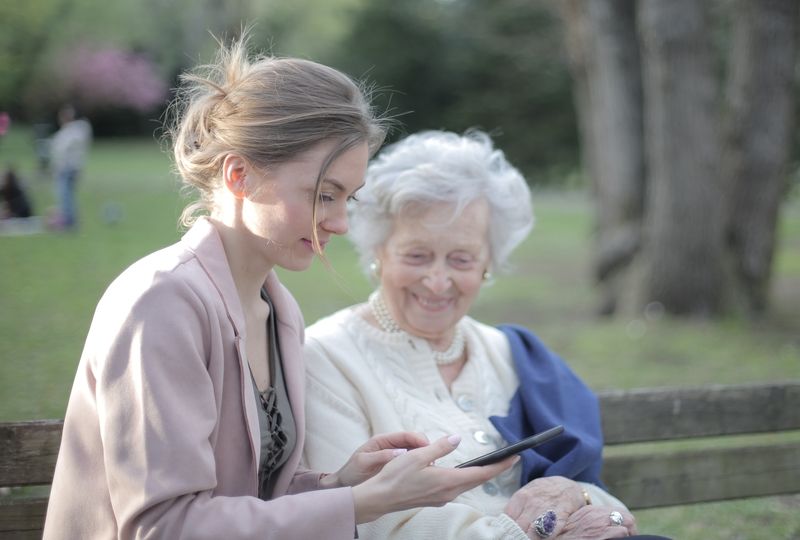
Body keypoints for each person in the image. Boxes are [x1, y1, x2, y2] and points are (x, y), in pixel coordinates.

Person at [42, 39, 517, 540]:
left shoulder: (277, 308)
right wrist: (360, 503)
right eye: (322, 195)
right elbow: (166, 526)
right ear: (240, 174)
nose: (339, 222)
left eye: (348, 198)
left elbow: (249, 499)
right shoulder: (160, 303)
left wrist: (338, 483)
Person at [303, 131, 669, 539]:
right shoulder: (325, 357)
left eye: (461, 259)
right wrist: (527, 533)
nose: (438, 281)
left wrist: (582, 502)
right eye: (417, 255)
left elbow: (596, 496)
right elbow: (375, 522)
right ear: (378, 253)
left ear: (487, 264)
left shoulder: (512, 354)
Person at [48, 103, 91, 230]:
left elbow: (62, 150)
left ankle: (69, 222)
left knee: (65, 196)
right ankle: (68, 220)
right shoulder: (71, 131)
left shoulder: (75, 131)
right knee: (66, 196)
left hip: (68, 169)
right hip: (69, 169)